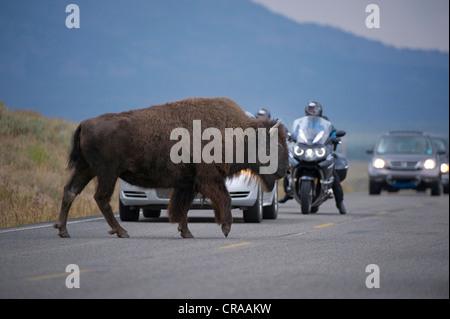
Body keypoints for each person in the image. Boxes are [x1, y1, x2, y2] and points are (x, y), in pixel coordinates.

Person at [278, 101, 347, 214]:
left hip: (320, 151)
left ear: (319, 110)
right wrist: (290, 136)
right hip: (304, 149)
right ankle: (287, 193)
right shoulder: (301, 123)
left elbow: (332, 133)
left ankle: (340, 203)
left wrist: (334, 138)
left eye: (314, 109)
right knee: (289, 166)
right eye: (310, 109)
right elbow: (295, 134)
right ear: (307, 110)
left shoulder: (326, 123)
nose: (312, 111)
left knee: (333, 175)